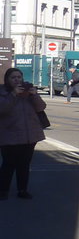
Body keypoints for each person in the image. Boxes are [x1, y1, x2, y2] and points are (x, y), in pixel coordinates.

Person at [0, 67, 48, 200]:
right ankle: (3, 190)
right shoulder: (3, 92)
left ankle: (22, 190)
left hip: (29, 135)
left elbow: (41, 107)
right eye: (13, 78)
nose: (16, 80)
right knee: (8, 164)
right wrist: (13, 94)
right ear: (7, 80)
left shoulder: (27, 92)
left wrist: (34, 95)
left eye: (19, 77)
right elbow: (3, 109)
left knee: (24, 164)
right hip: (9, 134)